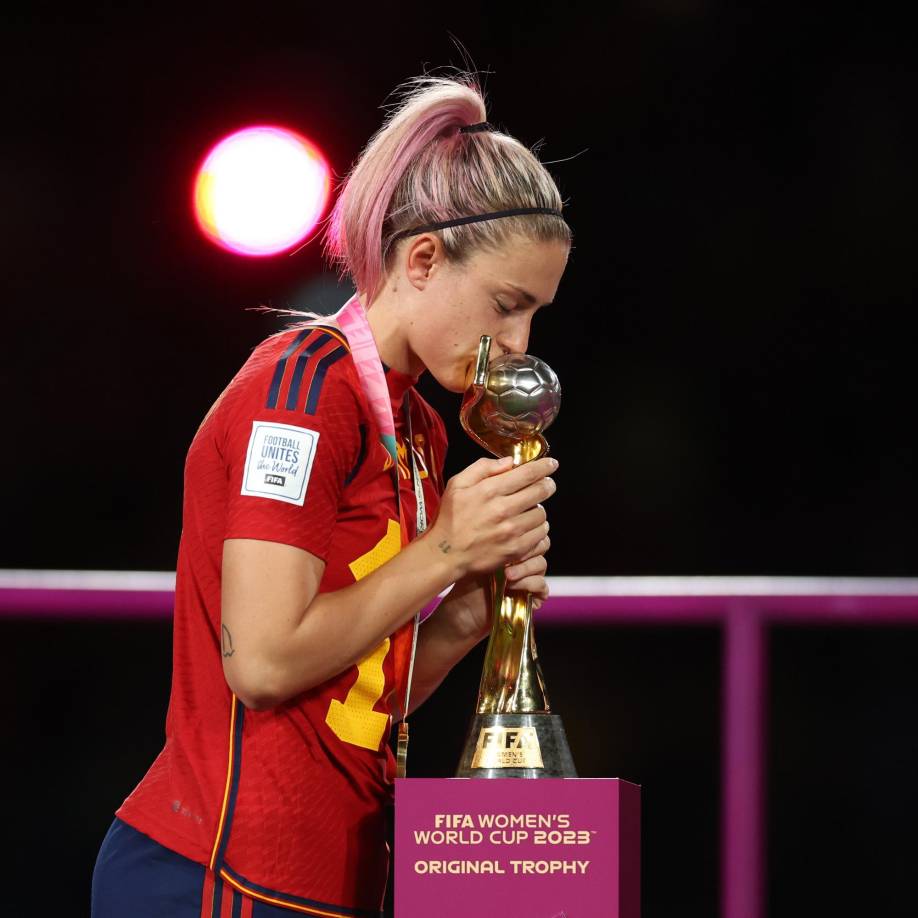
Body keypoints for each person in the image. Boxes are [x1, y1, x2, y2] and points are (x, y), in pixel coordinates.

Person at [91, 71, 572, 918]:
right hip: (219, 878)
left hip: (330, 880)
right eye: (507, 305)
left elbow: (354, 698)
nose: (519, 342)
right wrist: (448, 549)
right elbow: (268, 664)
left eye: (535, 315)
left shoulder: (418, 430)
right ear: (422, 258)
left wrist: (463, 615)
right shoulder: (302, 390)